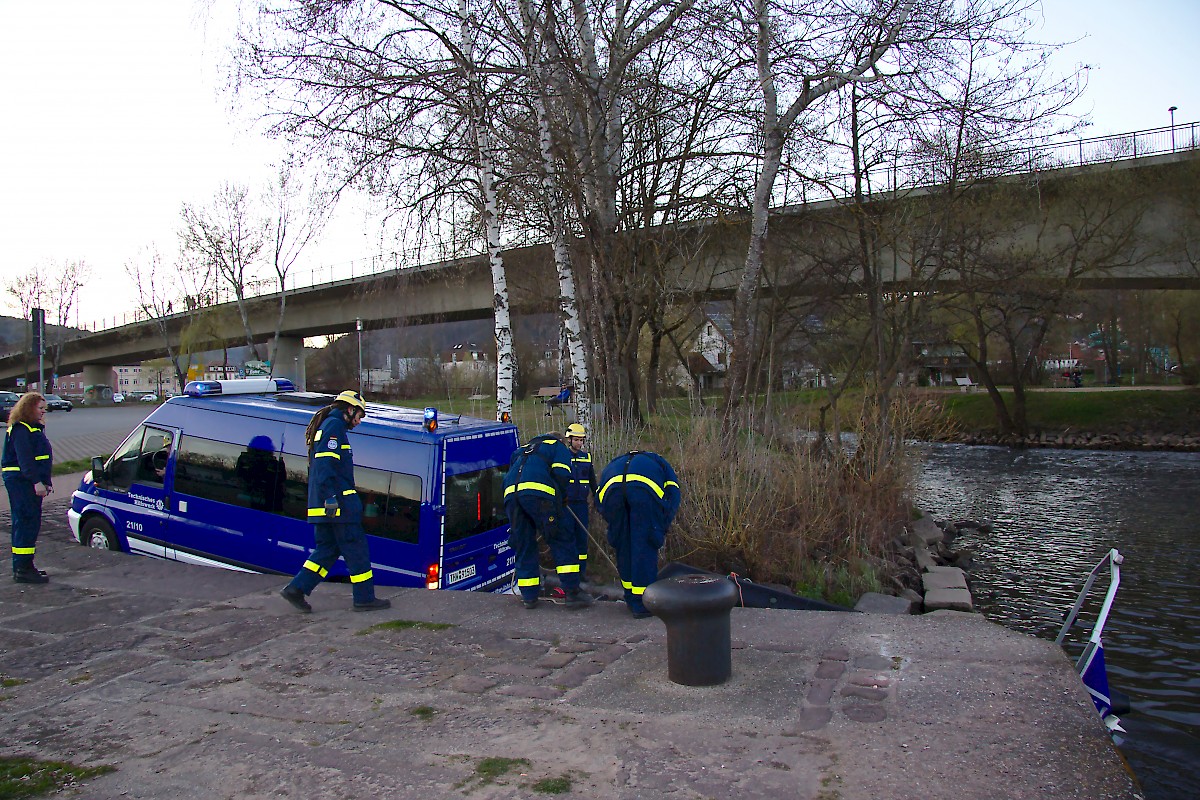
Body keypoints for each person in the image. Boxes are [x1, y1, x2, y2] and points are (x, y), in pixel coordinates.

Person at [280, 390, 391, 613]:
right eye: (359, 415)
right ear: (349, 409)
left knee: (327, 550)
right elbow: (324, 469)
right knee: (356, 550)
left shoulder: (329, 427)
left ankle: (296, 589)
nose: (359, 421)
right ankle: (364, 598)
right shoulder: (334, 428)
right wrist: (331, 500)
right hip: (338, 507)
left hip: (325, 507)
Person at [503, 432, 593, 609]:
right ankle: (572, 593)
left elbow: (511, 473)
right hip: (539, 495)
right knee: (561, 538)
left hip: (511, 496)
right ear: (560, 440)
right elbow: (562, 474)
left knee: (523, 542)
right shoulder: (557, 447)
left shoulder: (521, 450)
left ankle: (529, 595)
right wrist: (561, 499)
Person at [598, 450, 681, 619]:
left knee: (624, 545)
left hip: (611, 490)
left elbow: (600, 500)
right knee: (644, 545)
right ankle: (643, 604)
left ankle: (630, 597)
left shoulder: (616, 461)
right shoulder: (661, 464)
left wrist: (614, 526)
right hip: (643, 491)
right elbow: (674, 495)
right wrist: (660, 527)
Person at [3, 392, 53, 584]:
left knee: (29, 522)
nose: (42, 412)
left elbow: (41, 458)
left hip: (27, 482)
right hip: (21, 482)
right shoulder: (20, 429)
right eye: (40, 408)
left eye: (44, 409)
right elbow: (26, 460)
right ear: (28, 407)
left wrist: (45, 481)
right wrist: (36, 482)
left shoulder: (32, 428)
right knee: (25, 522)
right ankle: (22, 568)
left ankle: (25, 565)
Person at [563, 423, 597, 584]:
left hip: (581, 505)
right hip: (566, 506)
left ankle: (581, 571)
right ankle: (569, 574)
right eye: (576, 440)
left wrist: (597, 497)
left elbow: (592, 481)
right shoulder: (562, 457)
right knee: (568, 539)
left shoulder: (586, 458)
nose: (579, 443)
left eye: (581, 440)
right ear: (569, 440)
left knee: (582, 539)